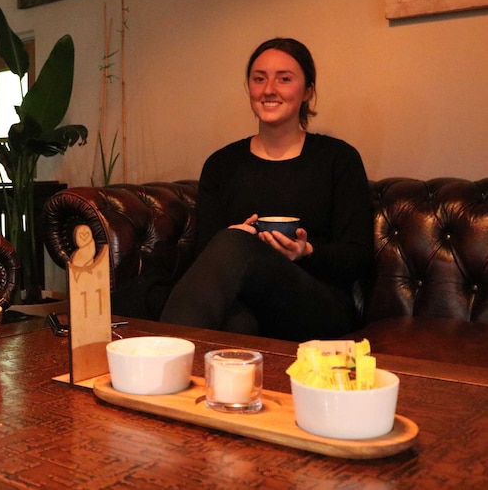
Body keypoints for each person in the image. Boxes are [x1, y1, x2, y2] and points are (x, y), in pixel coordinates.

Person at [159, 38, 373, 341]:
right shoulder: (222, 164)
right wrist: (232, 237)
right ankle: (183, 379)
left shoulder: (338, 159)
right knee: (237, 324)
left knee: (235, 245)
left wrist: (306, 252)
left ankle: (161, 361)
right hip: (246, 301)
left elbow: (358, 257)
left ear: (308, 91)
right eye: (259, 79)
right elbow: (204, 256)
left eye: (284, 79)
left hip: (318, 305)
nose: (269, 89)